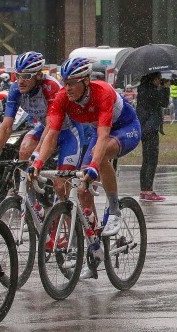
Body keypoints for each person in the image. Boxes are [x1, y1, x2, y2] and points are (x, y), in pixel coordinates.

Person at [32, 57, 141, 278]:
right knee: (82, 191)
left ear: (87, 80)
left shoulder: (103, 92)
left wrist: (92, 166)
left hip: (125, 128)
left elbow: (103, 136)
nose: (67, 87)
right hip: (101, 133)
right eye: (65, 82)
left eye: (72, 82)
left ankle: (115, 210)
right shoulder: (63, 97)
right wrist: (37, 163)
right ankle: (95, 249)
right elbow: (51, 135)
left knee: (99, 161)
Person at [0, 51, 83, 199]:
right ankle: (31, 205)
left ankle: (70, 217)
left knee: (60, 186)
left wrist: (37, 153)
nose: (21, 81)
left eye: (27, 76)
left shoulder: (51, 87)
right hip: (44, 127)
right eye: (18, 75)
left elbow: (52, 125)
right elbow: (6, 126)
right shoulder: (16, 89)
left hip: (68, 131)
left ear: (38, 75)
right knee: (23, 151)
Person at [137, 71, 170, 202]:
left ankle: (144, 190)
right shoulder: (151, 91)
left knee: (145, 160)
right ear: (153, 79)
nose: (160, 81)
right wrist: (165, 89)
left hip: (143, 127)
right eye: (159, 79)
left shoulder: (142, 89)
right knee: (152, 160)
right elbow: (164, 102)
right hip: (150, 128)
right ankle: (149, 190)